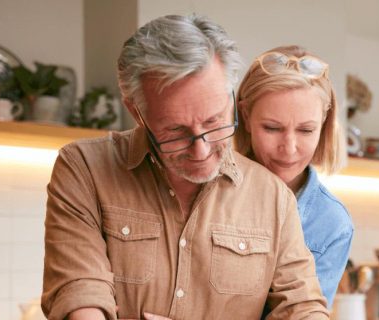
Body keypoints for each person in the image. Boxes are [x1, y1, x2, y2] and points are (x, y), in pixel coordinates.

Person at [41, 15, 329, 320]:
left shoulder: (273, 196)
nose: (201, 150)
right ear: (136, 111)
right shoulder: (84, 169)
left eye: (214, 121)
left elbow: (302, 307)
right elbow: (80, 291)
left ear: (231, 99)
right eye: (176, 131)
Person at [235, 45, 354, 309]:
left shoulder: (332, 224)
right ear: (245, 115)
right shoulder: (208, 188)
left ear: (324, 123)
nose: (289, 148)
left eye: (306, 130)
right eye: (272, 128)